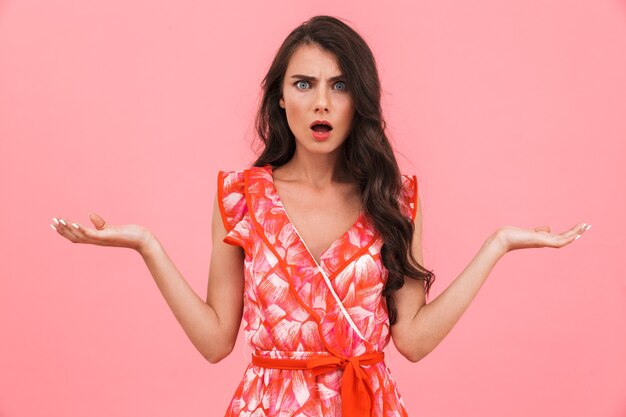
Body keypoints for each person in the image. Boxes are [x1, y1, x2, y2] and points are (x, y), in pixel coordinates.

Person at [50, 15, 590, 417]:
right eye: (303, 84)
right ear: (281, 99)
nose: (322, 103)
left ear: (361, 100)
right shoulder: (241, 196)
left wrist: (497, 244)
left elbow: (415, 341)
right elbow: (217, 341)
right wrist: (146, 244)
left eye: (340, 85)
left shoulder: (393, 198)